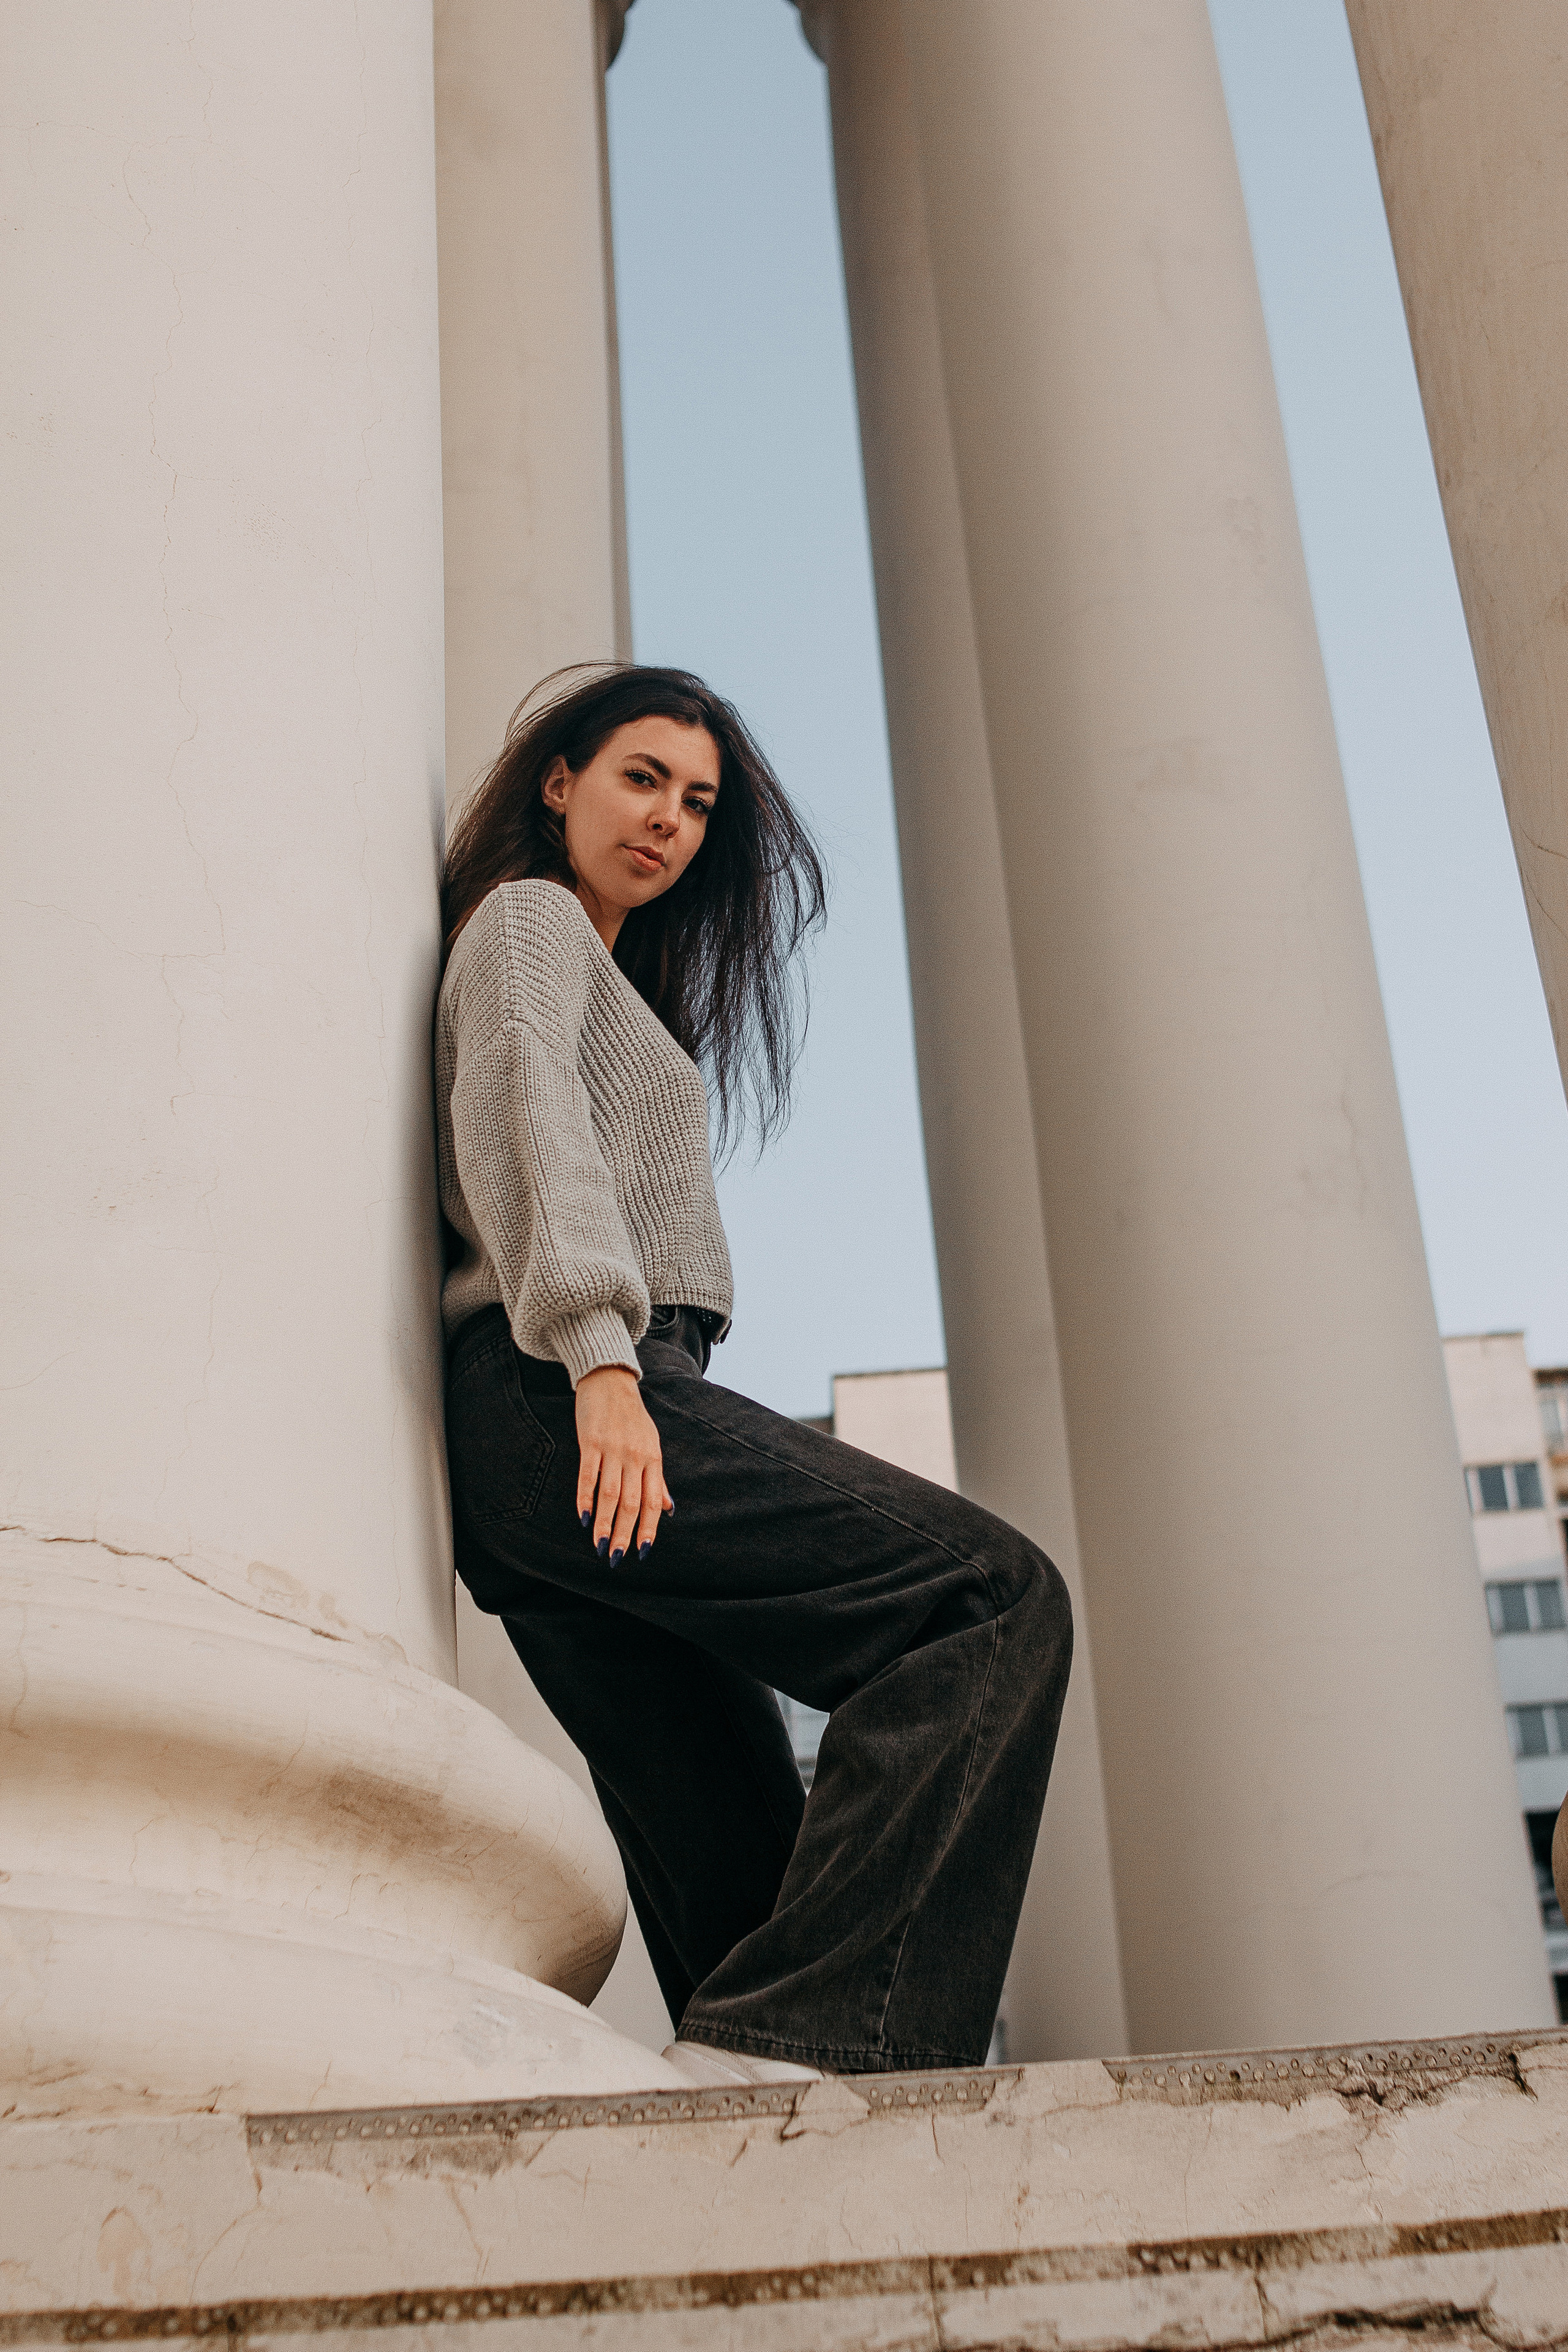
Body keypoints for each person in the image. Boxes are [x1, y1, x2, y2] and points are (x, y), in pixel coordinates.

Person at [438, 663, 1072, 2086]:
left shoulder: (616, 979)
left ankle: (763, 2102)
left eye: (698, 802)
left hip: (567, 1426)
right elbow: (525, 1108)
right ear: (560, 782)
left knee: (734, 1859)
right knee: (984, 1601)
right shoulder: (532, 925)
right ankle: (833, 2052)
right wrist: (606, 1365)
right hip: (570, 1387)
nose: (668, 819)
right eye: (639, 777)